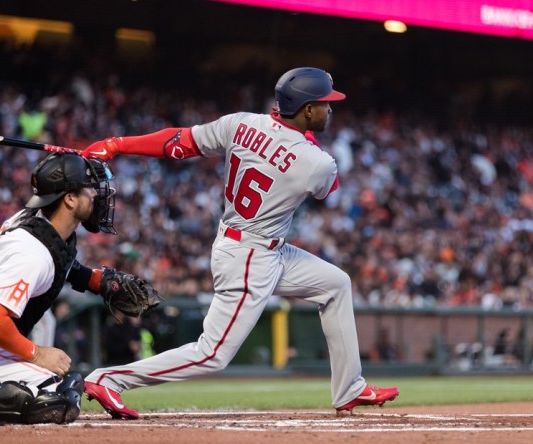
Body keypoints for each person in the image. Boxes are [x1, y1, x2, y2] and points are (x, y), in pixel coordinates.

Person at [80, 67, 399, 419]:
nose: (330, 110)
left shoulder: (241, 123)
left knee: (336, 284)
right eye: (325, 104)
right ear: (307, 110)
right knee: (212, 354)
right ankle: (109, 379)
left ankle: (350, 387)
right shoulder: (317, 162)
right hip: (251, 255)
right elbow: (330, 191)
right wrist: (307, 139)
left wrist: (118, 145)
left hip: (261, 246)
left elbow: (178, 142)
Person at [0, 152, 139, 424]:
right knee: (56, 398)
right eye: (88, 189)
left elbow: (60, 262)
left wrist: (95, 280)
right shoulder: (31, 252)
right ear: (69, 199)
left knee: (64, 387)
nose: (96, 195)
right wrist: (37, 354)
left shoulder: (44, 226)